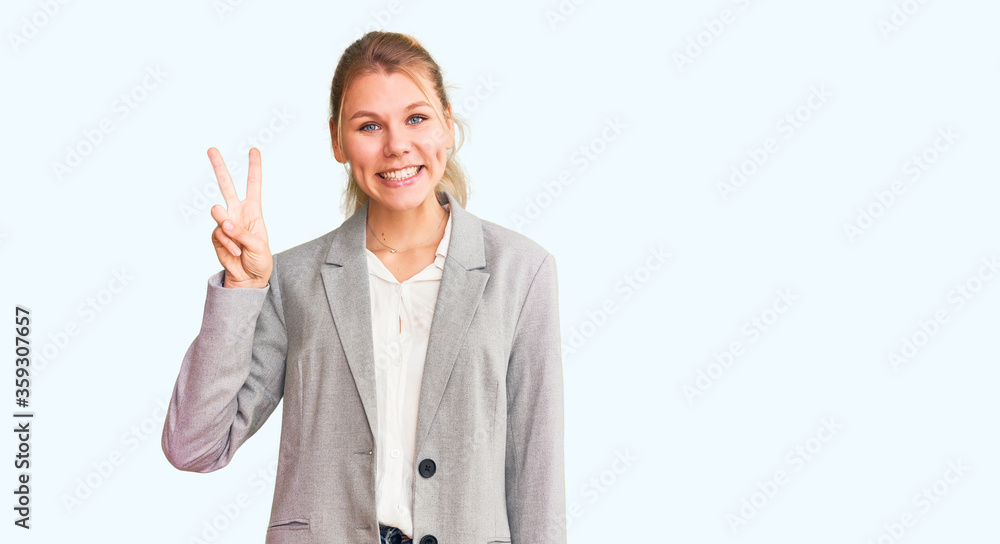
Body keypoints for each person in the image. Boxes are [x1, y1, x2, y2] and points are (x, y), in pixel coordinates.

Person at [161, 31, 566, 544]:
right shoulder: (292, 279)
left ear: (447, 124)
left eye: (416, 118)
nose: (396, 145)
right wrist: (241, 288)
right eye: (369, 125)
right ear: (338, 142)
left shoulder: (522, 272)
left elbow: (537, 476)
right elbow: (194, 446)